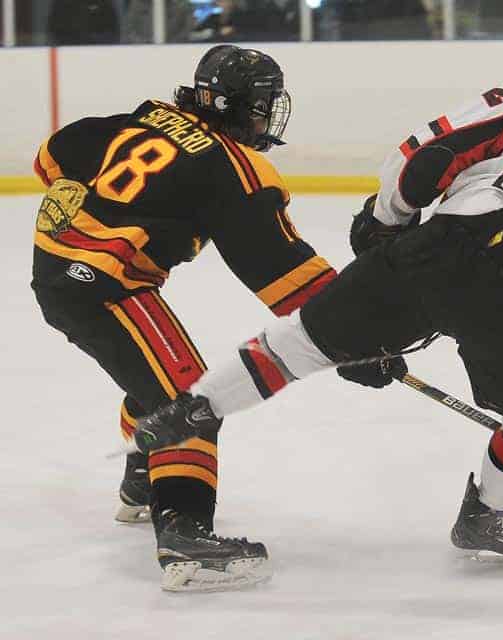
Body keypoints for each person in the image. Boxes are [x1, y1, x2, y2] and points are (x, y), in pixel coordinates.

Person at [128, 34, 503, 586]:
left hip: (443, 248)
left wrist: (388, 220)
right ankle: (488, 514)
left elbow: (429, 154)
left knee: (302, 343)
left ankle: (195, 408)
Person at [32, 45, 337, 591]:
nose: (267, 117)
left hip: (57, 273)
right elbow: (280, 269)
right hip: (108, 287)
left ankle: (142, 477)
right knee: (189, 402)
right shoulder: (230, 166)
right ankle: (185, 535)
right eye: (261, 105)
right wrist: (357, 328)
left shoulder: (142, 118)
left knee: (155, 383)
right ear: (231, 104)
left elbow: (51, 157)